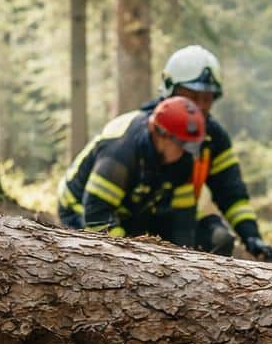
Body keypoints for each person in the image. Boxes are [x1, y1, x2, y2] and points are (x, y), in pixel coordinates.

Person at [136, 46, 272, 260]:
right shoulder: (141, 131)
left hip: (177, 219)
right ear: (169, 90)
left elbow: (231, 193)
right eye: (191, 96)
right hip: (129, 221)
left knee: (219, 239)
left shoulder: (213, 138)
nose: (200, 106)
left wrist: (251, 236)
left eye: (207, 98)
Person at [57, 97, 206, 240]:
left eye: (191, 145)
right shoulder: (121, 153)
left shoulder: (182, 158)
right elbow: (96, 215)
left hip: (126, 211)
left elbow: (183, 219)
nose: (187, 152)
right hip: (79, 208)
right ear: (160, 133)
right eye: (182, 143)